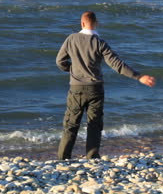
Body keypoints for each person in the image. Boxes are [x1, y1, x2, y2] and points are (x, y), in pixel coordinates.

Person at [56, 11, 156, 160]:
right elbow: (117, 64)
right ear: (96, 23)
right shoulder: (99, 43)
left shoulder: (71, 39)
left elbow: (60, 61)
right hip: (95, 88)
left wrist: (72, 69)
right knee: (94, 124)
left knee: (71, 123)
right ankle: (92, 156)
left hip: (76, 88)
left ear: (82, 23)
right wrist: (139, 76)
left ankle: (63, 158)